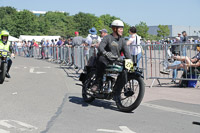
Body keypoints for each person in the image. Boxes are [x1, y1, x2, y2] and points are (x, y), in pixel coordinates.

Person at [91, 20, 132, 92]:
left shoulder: (122, 40)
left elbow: (127, 53)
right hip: (105, 58)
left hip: (115, 60)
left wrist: (131, 63)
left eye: (122, 29)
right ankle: (97, 83)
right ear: (114, 29)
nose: (122, 30)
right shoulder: (107, 37)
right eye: (120, 29)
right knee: (101, 60)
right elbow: (100, 47)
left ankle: (117, 89)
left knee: (125, 69)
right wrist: (105, 53)